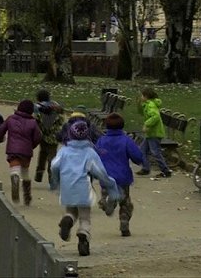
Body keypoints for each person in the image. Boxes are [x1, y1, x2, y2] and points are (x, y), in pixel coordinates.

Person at [50, 121, 121, 256]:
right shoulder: (89, 152)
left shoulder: (64, 151)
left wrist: (55, 181)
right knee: (84, 217)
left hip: (67, 188)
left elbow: (54, 166)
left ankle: (68, 219)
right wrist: (110, 185)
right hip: (83, 188)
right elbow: (100, 173)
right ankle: (83, 236)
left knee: (71, 210)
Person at [95, 113, 144, 237]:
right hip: (122, 176)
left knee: (107, 191)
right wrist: (140, 161)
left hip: (105, 175)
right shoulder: (126, 140)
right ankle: (124, 222)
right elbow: (137, 156)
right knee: (125, 202)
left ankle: (106, 202)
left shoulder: (102, 140)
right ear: (122, 126)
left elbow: (96, 155)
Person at [0, 99, 41, 205]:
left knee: (14, 166)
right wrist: (32, 145)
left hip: (13, 149)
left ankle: (15, 177)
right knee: (25, 171)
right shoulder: (33, 122)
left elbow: (1, 130)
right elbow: (38, 137)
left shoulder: (11, 119)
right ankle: (27, 195)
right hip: (26, 151)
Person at [135, 87, 172, 177]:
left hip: (155, 133)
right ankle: (146, 168)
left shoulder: (151, 105)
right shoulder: (146, 104)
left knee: (155, 152)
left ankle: (165, 170)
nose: (141, 97)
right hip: (150, 133)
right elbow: (141, 113)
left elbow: (155, 117)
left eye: (142, 95)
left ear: (146, 96)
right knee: (142, 150)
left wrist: (146, 124)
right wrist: (139, 104)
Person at [34, 89, 64, 183]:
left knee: (42, 154)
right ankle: (52, 177)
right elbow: (61, 121)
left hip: (43, 136)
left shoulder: (39, 109)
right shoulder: (57, 110)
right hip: (54, 137)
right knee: (52, 157)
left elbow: (36, 121)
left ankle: (39, 174)